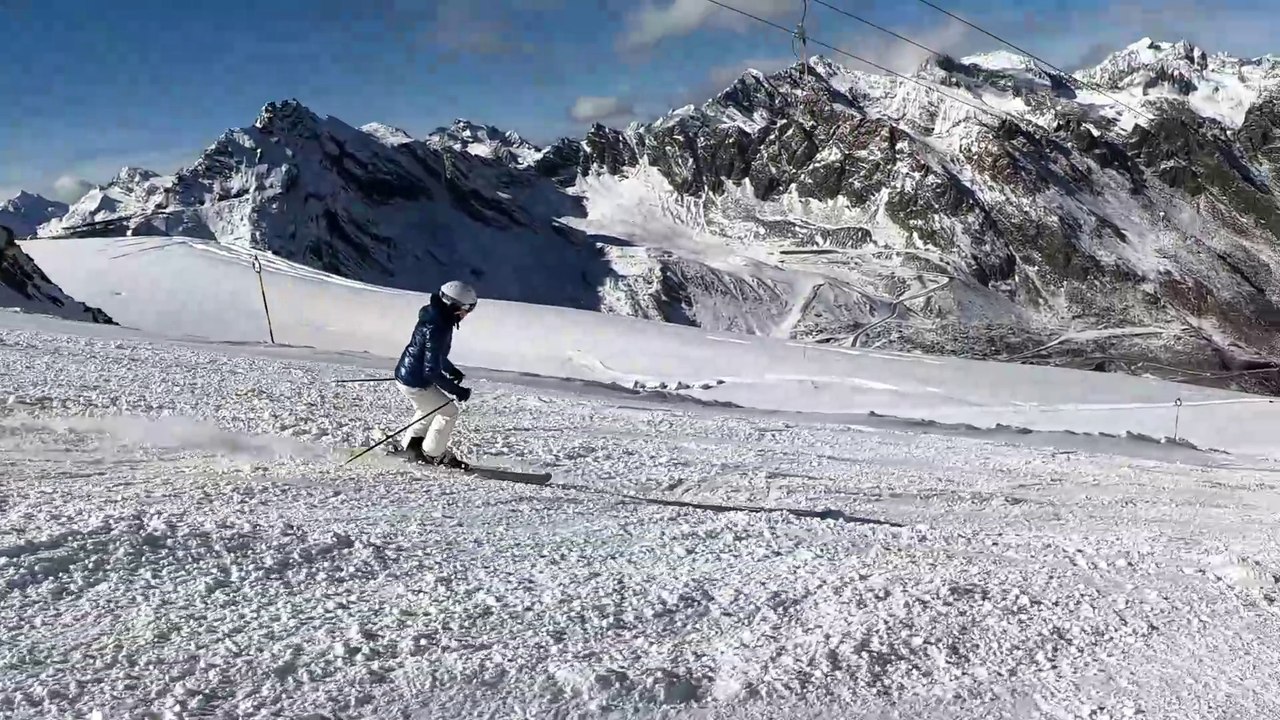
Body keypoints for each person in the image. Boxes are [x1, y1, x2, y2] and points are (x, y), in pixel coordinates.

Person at [393, 280, 477, 468]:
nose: (467, 314)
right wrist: (457, 390)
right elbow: (431, 371)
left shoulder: (434, 316)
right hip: (416, 381)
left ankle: (410, 446)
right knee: (449, 411)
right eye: (467, 308)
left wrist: (450, 370)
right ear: (454, 306)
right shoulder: (438, 327)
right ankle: (433, 453)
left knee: (427, 408)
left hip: (408, 373)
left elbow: (432, 354)